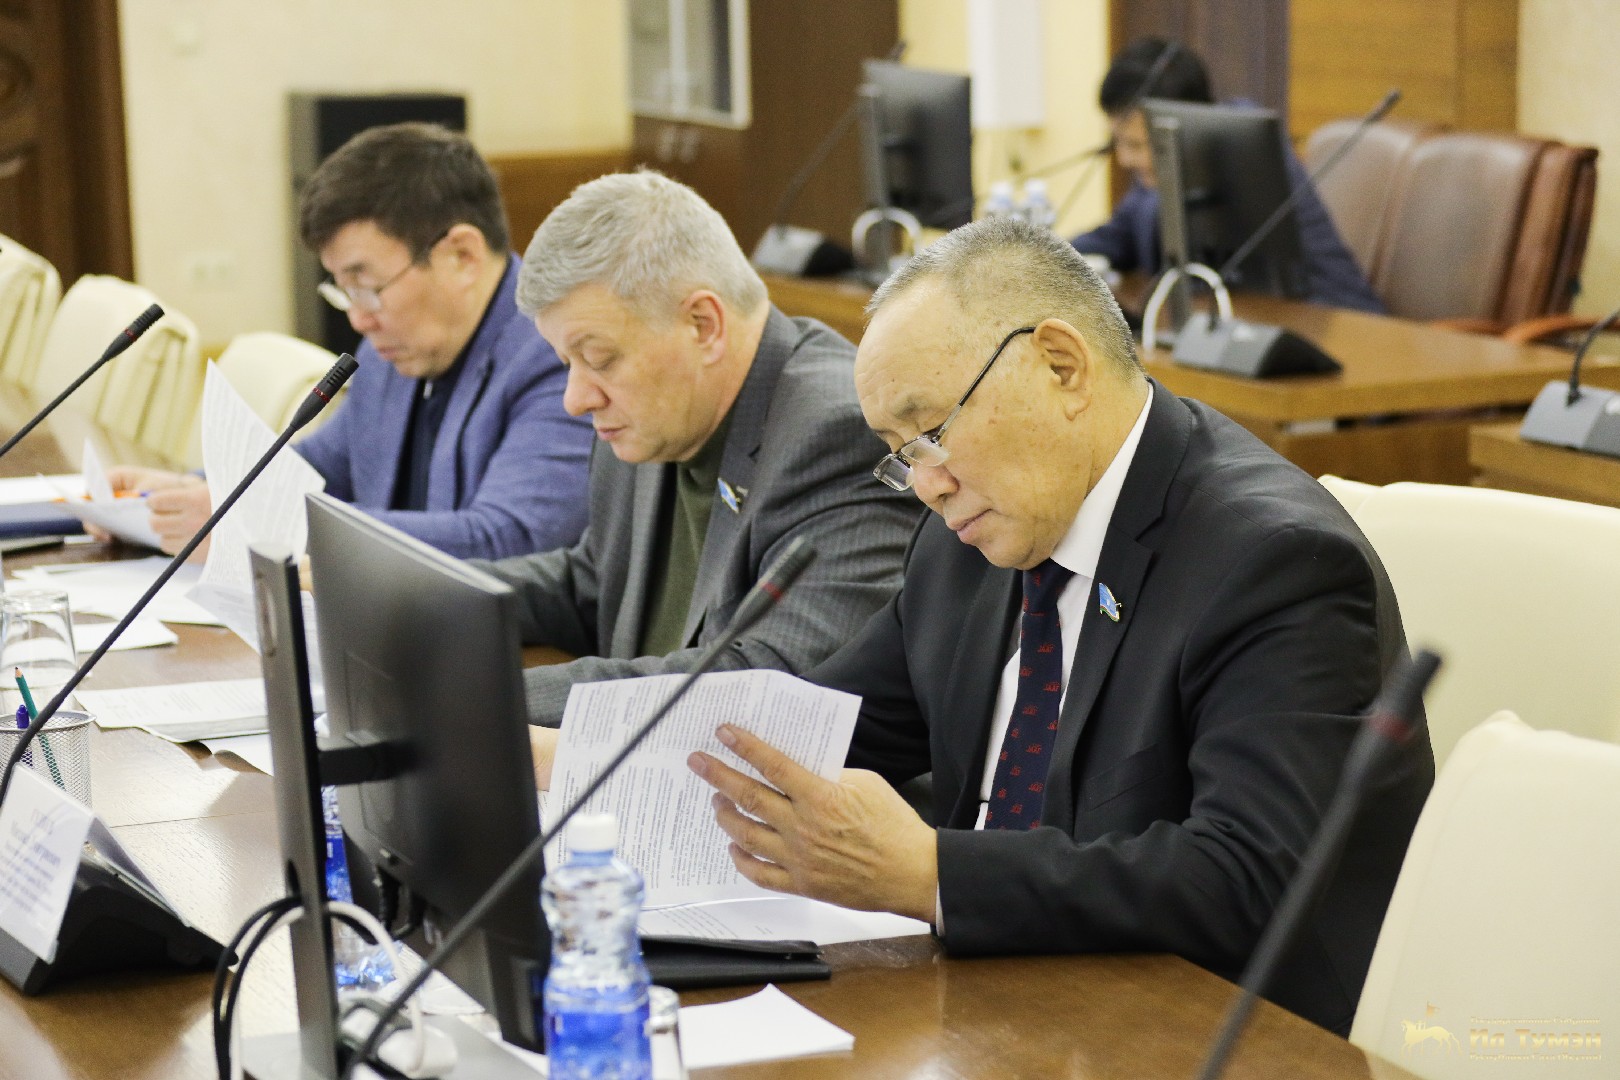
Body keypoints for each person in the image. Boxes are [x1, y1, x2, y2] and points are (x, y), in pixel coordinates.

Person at [686, 217, 1434, 1035]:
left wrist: (930, 873)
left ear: (1061, 366)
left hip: (1215, 1033)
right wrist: (611, 763)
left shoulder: (1274, 562)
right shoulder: (967, 545)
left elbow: (1245, 879)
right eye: (900, 454)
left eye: (930, 433)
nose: (925, 485)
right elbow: (816, 732)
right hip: (999, 1004)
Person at [472, 171, 920, 731]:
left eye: (600, 358)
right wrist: (420, 602)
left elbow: (764, 679)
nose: (576, 399)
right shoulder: (653, 417)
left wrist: (484, 702)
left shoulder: (838, 435)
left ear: (703, 325)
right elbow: (592, 583)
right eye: (568, 363)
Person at [107, 123, 593, 561]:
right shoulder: (396, 347)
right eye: (344, 290)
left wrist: (267, 521)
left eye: (368, 285)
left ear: (462, 256)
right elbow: (322, 468)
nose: (359, 318)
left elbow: (509, 539)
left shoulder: (557, 356)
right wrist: (187, 495)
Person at [1072, 37, 1386, 314]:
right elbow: (1115, 238)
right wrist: (1047, 253)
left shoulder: (1244, 150)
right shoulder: (1154, 182)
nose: (1125, 159)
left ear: (1179, 126)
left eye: (1136, 145)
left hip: (1333, 323)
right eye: (1118, 142)